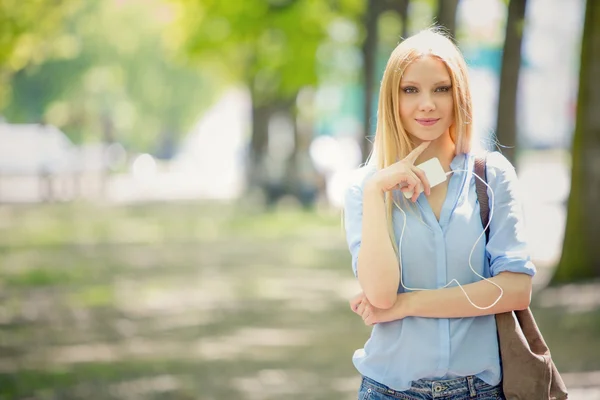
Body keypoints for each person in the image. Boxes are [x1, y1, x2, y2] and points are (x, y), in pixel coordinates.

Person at [343, 28, 536, 400]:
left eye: (441, 89)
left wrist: (409, 305)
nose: (427, 104)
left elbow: (516, 289)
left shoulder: (491, 175)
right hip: (390, 390)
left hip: (480, 390)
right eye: (410, 90)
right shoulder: (364, 188)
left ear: (458, 94)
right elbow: (381, 297)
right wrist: (374, 193)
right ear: (392, 99)